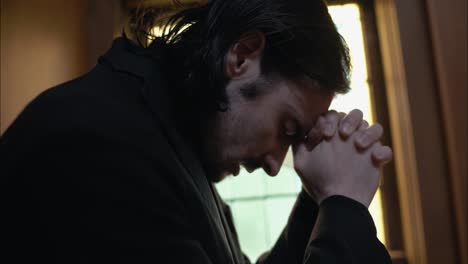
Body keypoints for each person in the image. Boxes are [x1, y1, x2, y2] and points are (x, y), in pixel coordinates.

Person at [1, 0, 393, 263]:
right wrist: (345, 209)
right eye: (285, 128)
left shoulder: (165, 138)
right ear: (241, 57)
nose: (276, 165)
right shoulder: (98, 147)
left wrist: (319, 204)